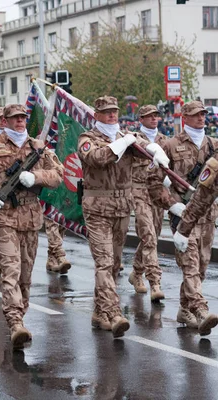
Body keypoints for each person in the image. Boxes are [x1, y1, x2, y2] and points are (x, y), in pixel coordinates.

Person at [0, 103, 64, 349]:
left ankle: (21, 314)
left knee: (26, 276)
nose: (20, 121)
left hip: (30, 217)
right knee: (11, 270)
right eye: (15, 118)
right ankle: (15, 322)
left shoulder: (37, 148)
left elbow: (58, 174)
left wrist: (36, 177)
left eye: (23, 118)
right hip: (3, 215)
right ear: (5, 121)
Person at [79, 96, 170, 338]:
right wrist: (124, 142)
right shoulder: (87, 139)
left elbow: (145, 148)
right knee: (104, 263)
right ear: (96, 115)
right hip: (97, 207)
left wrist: (156, 151)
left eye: (114, 111)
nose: (112, 115)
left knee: (115, 265)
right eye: (106, 112)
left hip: (121, 208)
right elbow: (97, 158)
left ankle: (99, 313)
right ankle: (114, 312)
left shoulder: (125, 137)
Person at [148, 101, 218, 335]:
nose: (201, 118)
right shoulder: (170, 145)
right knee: (189, 265)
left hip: (207, 215)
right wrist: (172, 205)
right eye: (197, 115)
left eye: (203, 115)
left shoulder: (213, 146)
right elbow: (154, 183)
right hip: (183, 216)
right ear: (185, 117)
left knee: (201, 267)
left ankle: (184, 309)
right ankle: (200, 309)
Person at [129, 105, 168, 301]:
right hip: (138, 189)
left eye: (156, 116)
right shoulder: (132, 138)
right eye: (149, 116)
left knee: (153, 235)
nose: (154, 119)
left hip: (157, 191)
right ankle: (155, 283)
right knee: (148, 234)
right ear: (141, 118)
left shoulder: (163, 140)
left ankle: (136, 272)